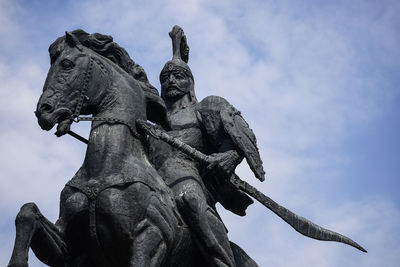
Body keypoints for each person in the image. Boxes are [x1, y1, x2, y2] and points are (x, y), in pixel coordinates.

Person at [149, 26, 265, 267]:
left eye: (178, 76)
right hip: (151, 177)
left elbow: (239, 137)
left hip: (189, 177)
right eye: (165, 78)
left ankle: (221, 260)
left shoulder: (204, 108)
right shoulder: (152, 116)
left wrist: (228, 158)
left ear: (190, 82)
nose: (170, 80)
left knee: (189, 198)